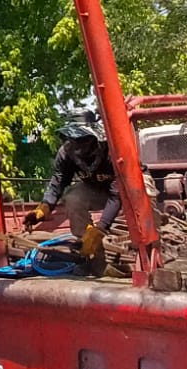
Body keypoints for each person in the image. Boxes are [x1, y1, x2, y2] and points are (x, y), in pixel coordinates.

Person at [23, 111, 120, 259]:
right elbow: (58, 182)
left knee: (141, 193)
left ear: (93, 137)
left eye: (82, 139)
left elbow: (117, 194)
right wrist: (44, 208)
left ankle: (147, 247)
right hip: (97, 189)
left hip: (127, 189)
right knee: (73, 197)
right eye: (73, 139)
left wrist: (100, 228)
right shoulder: (66, 153)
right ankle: (88, 249)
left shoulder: (112, 149)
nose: (77, 145)